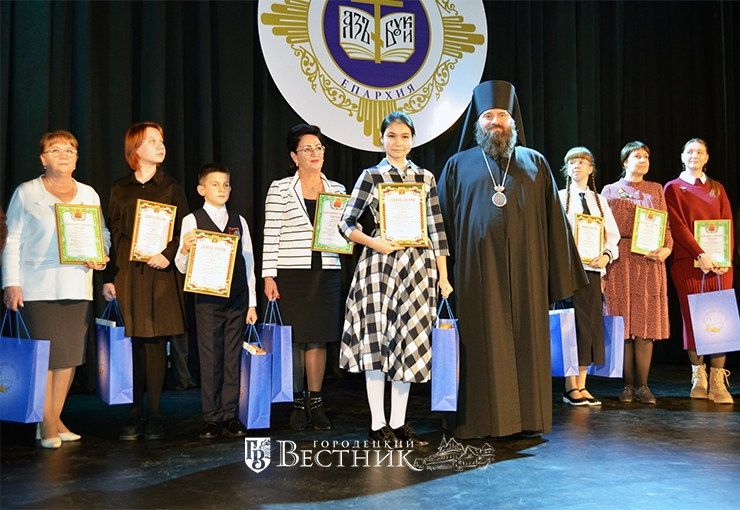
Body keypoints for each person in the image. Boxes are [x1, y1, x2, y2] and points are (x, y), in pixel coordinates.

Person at [438, 80, 586, 440]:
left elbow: (555, 225)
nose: (495, 122)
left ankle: (528, 420)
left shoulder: (535, 163)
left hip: (527, 274)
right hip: (475, 274)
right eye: (488, 116)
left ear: (512, 120)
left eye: (501, 115)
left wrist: (557, 278)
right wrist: (442, 275)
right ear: (477, 122)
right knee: (480, 346)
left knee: (526, 343)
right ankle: (477, 422)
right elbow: (440, 226)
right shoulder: (457, 166)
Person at [339, 111, 453, 446]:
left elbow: (437, 229)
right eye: (391, 136)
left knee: (410, 343)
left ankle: (399, 423)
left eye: (404, 136)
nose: (398, 143)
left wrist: (444, 276)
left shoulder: (425, 177)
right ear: (382, 139)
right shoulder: (371, 176)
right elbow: (345, 223)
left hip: (419, 268)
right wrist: (374, 242)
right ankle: (378, 425)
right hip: (379, 266)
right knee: (378, 343)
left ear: (413, 139)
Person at [2, 131, 110, 449]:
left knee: (68, 358)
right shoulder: (27, 192)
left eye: (70, 150)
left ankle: (54, 418)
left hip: (77, 284)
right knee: (44, 359)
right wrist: (10, 283)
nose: (63, 155)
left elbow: (102, 233)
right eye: (55, 149)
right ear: (43, 158)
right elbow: (11, 240)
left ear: (77, 159)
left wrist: (101, 255)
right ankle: (47, 423)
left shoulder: (88, 194)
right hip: (36, 287)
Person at [102, 122, 190, 440]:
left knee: (155, 342)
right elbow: (112, 233)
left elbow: (185, 229)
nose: (160, 145)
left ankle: (154, 413)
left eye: (161, 140)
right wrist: (109, 277)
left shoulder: (171, 186)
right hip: (128, 272)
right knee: (135, 341)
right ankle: (134, 412)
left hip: (160, 273)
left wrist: (168, 253)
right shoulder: (119, 188)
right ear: (135, 149)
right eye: (152, 141)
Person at [262, 124, 345, 431]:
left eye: (319, 148)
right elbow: (271, 233)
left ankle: (316, 402)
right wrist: (268, 276)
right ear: (294, 156)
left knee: (318, 338)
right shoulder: (280, 188)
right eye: (307, 149)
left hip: (326, 271)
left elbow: (344, 230)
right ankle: (297, 404)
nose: (314, 154)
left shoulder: (337, 190)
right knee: (296, 339)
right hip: (291, 272)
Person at [175, 163, 257, 438]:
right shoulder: (192, 220)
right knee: (210, 356)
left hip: (237, 299)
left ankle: (230, 414)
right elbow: (181, 266)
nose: (222, 189)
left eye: (226, 184)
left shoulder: (239, 221)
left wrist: (252, 303)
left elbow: (248, 263)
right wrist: (184, 249)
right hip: (207, 300)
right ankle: (211, 416)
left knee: (232, 356)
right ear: (201, 190)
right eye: (215, 184)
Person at [601, 141, 672, 404]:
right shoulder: (609, 190)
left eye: (646, 157)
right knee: (623, 325)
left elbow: (666, 226)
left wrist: (666, 249)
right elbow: (603, 230)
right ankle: (627, 386)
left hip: (649, 262)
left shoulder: (656, 189)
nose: (642, 160)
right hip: (620, 261)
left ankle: (643, 386)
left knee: (645, 325)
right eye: (636, 156)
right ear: (625, 162)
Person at [664, 138, 733, 404]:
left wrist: (724, 259)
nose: (695, 155)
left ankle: (718, 381)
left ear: (707, 158)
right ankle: (698, 377)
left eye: (700, 152)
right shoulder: (673, 188)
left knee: (719, 317)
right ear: (682, 156)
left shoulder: (717, 188)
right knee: (693, 317)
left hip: (719, 265)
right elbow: (677, 226)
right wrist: (700, 254)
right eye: (690, 151)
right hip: (687, 262)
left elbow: (727, 223)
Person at [558, 147, 620, 406]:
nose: (577, 166)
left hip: (593, 271)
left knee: (589, 327)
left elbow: (613, 235)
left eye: (582, 162)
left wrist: (607, 255)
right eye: (572, 162)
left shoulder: (600, 201)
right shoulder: (559, 198)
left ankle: (582, 385)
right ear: (566, 169)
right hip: (567, 272)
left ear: (591, 169)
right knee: (571, 326)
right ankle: (569, 387)